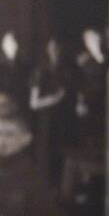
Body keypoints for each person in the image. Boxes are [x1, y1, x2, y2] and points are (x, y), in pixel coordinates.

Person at [29, 35, 77, 186]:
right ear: (48, 50)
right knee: (47, 162)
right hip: (47, 125)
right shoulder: (40, 72)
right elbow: (34, 103)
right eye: (53, 49)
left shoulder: (69, 71)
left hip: (65, 123)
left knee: (66, 161)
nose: (56, 52)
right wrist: (54, 99)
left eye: (58, 49)